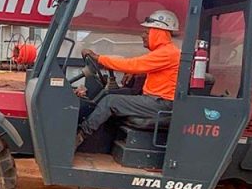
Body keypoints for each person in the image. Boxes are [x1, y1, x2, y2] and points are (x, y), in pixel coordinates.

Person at [76, 10, 181, 146]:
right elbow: (145, 66)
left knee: (110, 101)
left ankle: (80, 136)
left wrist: (99, 58)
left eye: (147, 33)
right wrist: (137, 73)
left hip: (161, 103)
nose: (143, 35)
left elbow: (133, 64)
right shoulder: (165, 53)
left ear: (158, 33)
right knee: (113, 94)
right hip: (156, 101)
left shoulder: (168, 53)